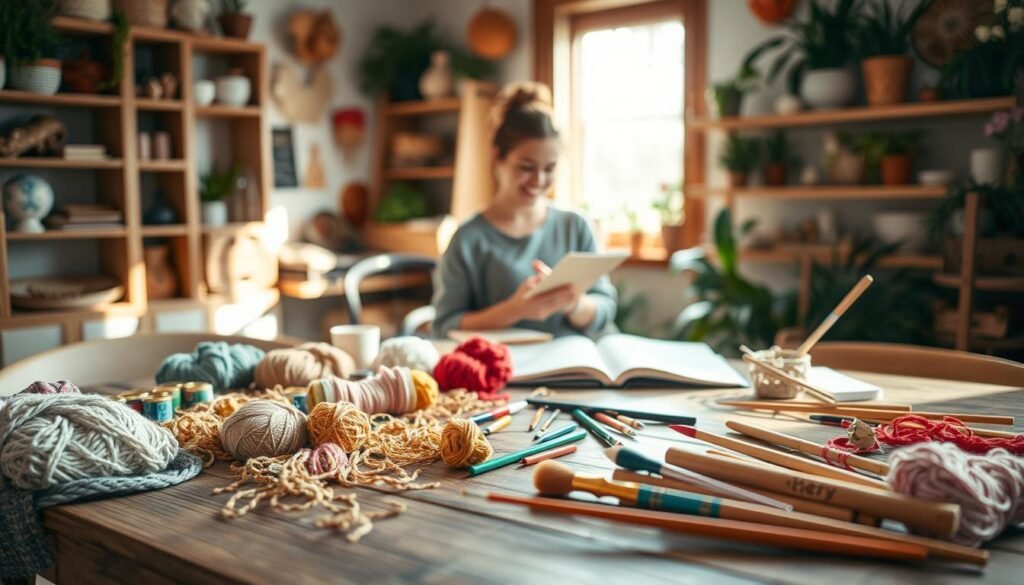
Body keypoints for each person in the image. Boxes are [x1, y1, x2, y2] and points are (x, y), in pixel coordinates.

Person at [432, 81, 617, 339]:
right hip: (509, 374)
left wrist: (574, 304)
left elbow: (605, 308)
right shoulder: (468, 239)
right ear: (498, 157)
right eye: (526, 167)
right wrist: (515, 309)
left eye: (549, 168)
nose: (538, 180)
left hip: (578, 369)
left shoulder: (575, 226)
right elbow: (445, 325)